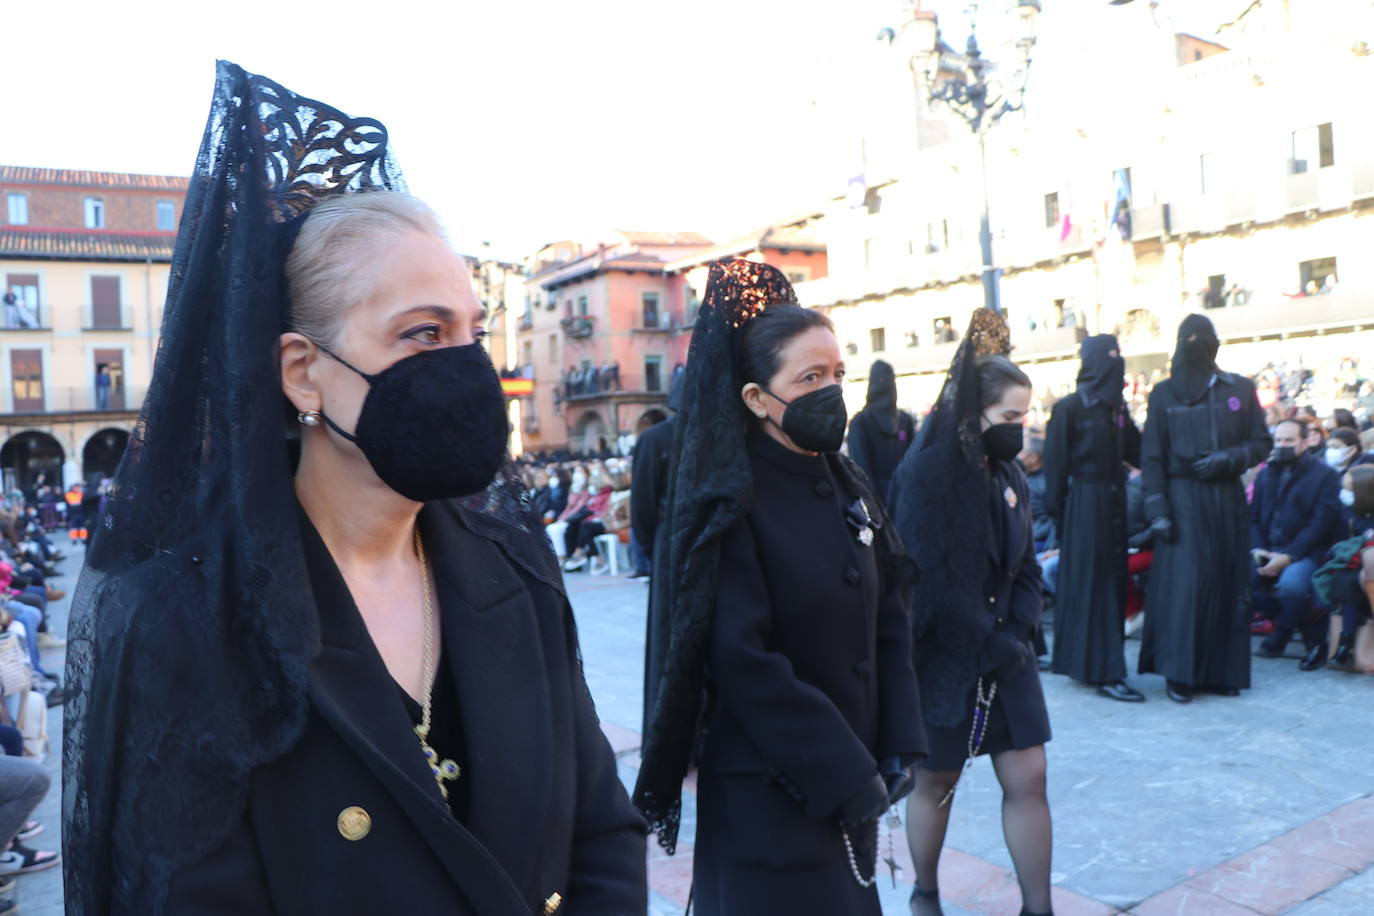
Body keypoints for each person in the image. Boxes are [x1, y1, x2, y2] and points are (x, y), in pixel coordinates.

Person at [64, 62, 646, 915]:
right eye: (421, 333)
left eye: (471, 333)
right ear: (303, 373)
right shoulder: (183, 620)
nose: (464, 367)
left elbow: (600, 834)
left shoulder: (514, 572)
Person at [633, 259, 924, 915]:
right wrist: (844, 769)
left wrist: (898, 740)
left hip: (855, 780)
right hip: (771, 790)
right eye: (810, 378)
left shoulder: (846, 482)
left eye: (837, 375)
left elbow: (890, 612)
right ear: (757, 398)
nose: (832, 392)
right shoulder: (731, 503)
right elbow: (742, 658)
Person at [889, 310, 1054, 916]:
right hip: (944, 657)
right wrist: (979, 638)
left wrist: (1017, 631)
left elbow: (1027, 566)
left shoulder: (1009, 471)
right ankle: (925, 893)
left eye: (1025, 416)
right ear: (973, 412)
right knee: (937, 783)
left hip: (1007, 651)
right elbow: (921, 578)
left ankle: (1039, 908)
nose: (1021, 429)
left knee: (1029, 777)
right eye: (1011, 417)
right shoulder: (928, 471)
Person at [1138, 314, 1272, 703]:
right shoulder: (1162, 394)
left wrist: (1228, 459)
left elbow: (1261, 443)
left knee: (1228, 582)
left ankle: (1221, 671)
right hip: (1181, 500)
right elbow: (1152, 457)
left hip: (1226, 497)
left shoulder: (1241, 389)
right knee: (1185, 587)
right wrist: (1157, 510)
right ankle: (1179, 672)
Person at [1043, 335, 1145, 702]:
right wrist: (1066, 518)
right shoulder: (1071, 407)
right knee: (1096, 586)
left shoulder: (1116, 410)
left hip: (1112, 501)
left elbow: (1139, 450)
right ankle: (1104, 670)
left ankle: (1096, 664)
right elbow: (1055, 469)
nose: (1116, 363)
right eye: (1110, 357)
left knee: (1109, 584)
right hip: (1085, 504)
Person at [1250, 418, 1341, 670]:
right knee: (1235, 580)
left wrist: (1288, 557)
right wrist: (1257, 549)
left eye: (1289, 440)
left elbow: (1320, 525)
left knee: (1292, 586)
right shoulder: (1266, 474)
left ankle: (1283, 631)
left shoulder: (1326, 476)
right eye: (1278, 440)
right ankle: (1287, 624)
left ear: (1304, 442)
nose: (1282, 445)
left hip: (1305, 552)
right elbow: (1253, 517)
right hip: (1266, 548)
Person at [846, 359, 916, 505]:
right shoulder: (861, 423)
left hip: (903, 498)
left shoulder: (904, 420)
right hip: (884, 503)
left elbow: (914, 460)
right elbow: (861, 470)